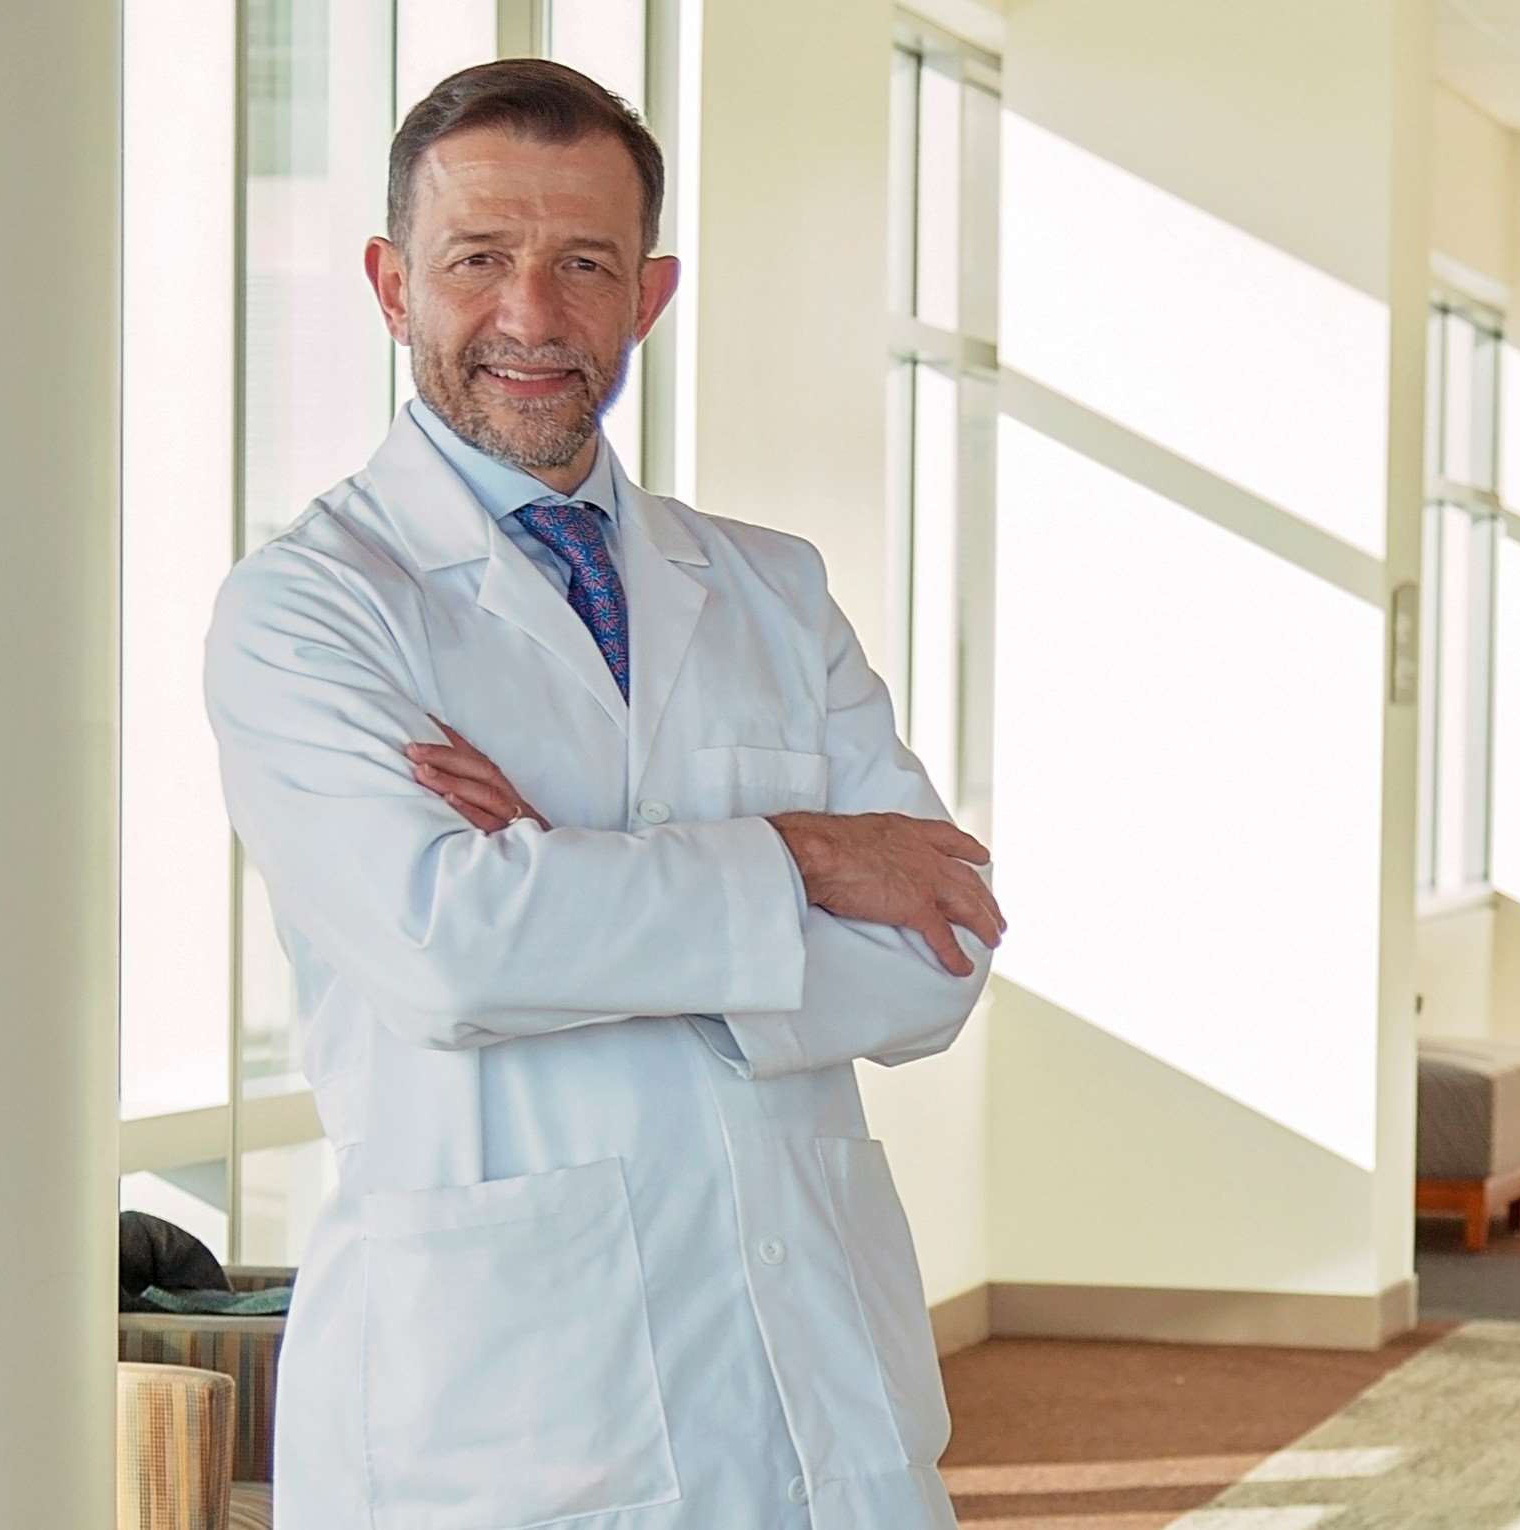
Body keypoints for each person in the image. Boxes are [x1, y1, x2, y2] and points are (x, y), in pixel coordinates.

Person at [203, 58, 1004, 1530]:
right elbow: (451, 950)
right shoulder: (309, 609)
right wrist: (804, 858)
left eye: (584, 263)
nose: (531, 314)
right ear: (391, 284)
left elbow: (935, 957)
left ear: (650, 295)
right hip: (507, 1417)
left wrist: (571, 877)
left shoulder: (772, 589)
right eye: (477, 260)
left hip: (814, 1376)